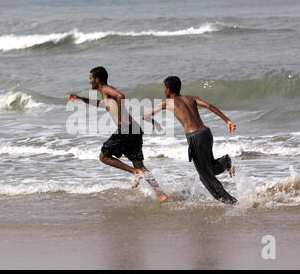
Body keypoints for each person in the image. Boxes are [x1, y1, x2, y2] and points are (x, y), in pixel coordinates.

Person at [69, 66, 168, 202]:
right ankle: (160, 193)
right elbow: (100, 104)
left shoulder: (105, 89)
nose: (89, 81)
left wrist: (121, 118)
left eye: (90, 78)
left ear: (97, 79)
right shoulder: (105, 92)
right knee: (140, 165)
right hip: (134, 129)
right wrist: (81, 98)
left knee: (104, 156)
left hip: (126, 128)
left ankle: (135, 173)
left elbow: (121, 96)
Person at [142, 76, 237, 204]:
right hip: (206, 133)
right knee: (209, 168)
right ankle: (225, 161)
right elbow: (209, 106)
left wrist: (154, 123)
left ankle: (230, 201)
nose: (163, 90)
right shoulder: (191, 98)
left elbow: (145, 116)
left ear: (168, 89)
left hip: (195, 137)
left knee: (205, 177)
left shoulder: (167, 103)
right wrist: (227, 120)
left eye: (164, 87)